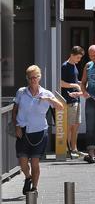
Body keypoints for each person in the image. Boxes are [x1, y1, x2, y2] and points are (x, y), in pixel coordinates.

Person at [12, 65, 64, 195]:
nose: (33, 80)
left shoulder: (46, 93)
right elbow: (14, 111)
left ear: (39, 77)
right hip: (23, 131)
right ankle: (28, 177)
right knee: (22, 162)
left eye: (35, 77)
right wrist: (16, 126)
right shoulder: (21, 92)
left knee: (35, 162)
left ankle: (34, 188)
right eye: (30, 78)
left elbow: (61, 107)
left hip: (39, 132)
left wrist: (48, 99)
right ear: (27, 79)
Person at [60, 46, 85, 158]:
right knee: (69, 126)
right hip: (69, 99)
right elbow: (60, 83)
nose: (79, 60)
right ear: (72, 54)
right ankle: (67, 150)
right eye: (78, 57)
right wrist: (75, 85)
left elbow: (73, 80)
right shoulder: (65, 66)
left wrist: (80, 84)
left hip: (76, 98)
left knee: (76, 125)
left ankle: (74, 149)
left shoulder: (74, 65)